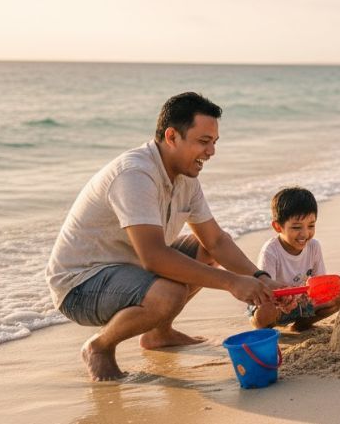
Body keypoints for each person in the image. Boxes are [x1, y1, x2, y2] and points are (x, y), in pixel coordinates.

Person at [46, 92, 278, 381]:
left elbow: (215, 240)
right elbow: (154, 257)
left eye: (214, 143)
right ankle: (99, 346)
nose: (211, 152)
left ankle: (159, 332)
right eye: (203, 142)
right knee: (170, 293)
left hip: (129, 269)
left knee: (204, 249)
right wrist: (231, 282)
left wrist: (261, 278)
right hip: (80, 284)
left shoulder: (186, 177)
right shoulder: (135, 174)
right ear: (171, 136)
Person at [250, 187, 340, 330]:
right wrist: (284, 299)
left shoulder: (314, 247)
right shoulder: (271, 251)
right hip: (276, 306)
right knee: (266, 310)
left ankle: (300, 326)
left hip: (302, 304)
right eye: (296, 227)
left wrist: (307, 297)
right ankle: (265, 330)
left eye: (311, 226)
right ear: (278, 226)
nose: (305, 234)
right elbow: (265, 292)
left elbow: (320, 283)